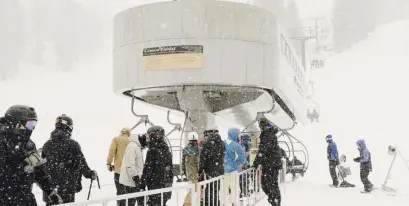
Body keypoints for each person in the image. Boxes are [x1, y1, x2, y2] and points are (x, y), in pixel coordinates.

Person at [0, 105, 62, 205]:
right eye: (29, 124)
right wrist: (22, 166)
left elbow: (39, 172)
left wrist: (50, 191)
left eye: (33, 124)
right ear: (16, 123)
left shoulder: (28, 144)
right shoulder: (2, 142)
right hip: (5, 199)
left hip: (26, 199)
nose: (32, 128)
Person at [42, 114, 97, 205]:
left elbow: (42, 167)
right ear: (69, 127)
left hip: (50, 190)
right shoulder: (72, 144)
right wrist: (90, 174)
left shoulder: (47, 144)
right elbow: (81, 163)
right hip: (66, 190)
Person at [140, 126, 173, 206]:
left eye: (148, 136)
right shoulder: (166, 149)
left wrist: (142, 184)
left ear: (152, 136)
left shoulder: (152, 150)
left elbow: (147, 169)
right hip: (165, 185)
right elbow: (170, 169)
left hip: (154, 186)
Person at [252, 118, 282, 206]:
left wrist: (255, 164)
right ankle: (274, 200)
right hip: (270, 163)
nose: (261, 127)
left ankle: (275, 201)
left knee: (269, 184)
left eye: (261, 126)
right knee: (268, 184)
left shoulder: (268, 135)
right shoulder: (268, 134)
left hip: (271, 164)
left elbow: (263, 151)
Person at [198, 127, 225, 206]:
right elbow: (222, 157)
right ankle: (216, 203)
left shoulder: (207, 144)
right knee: (216, 188)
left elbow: (203, 159)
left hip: (210, 170)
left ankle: (208, 203)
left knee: (209, 188)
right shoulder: (222, 143)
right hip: (219, 170)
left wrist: (200, 170)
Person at [119, 134, 148, 206]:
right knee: (131, 202)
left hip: (134, 180)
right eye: (146, 145)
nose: (145, 147)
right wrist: (135, 177)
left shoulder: (137, 147)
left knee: (138, 200)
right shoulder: (132, 147)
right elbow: (129, 165)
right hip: (130, 181)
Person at [106, 127, 131, 206]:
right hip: (129, 172)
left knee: (120, 192)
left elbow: (111, 152)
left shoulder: (116, 139)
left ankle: (120, 204)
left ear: (121, 132)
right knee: (129, 193)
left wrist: (108, 163)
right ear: (128, 134)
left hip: (119, 172)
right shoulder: (131, 141)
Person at [182, 132, 200, 206]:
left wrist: (184, 172)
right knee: (194, 190)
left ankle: (187, 203)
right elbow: (199, 163)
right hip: (195, 174)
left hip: (189, 173)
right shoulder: (198, 150)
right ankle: (187, 203)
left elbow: (183, 162)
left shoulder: (185, 149)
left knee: (192, 189)